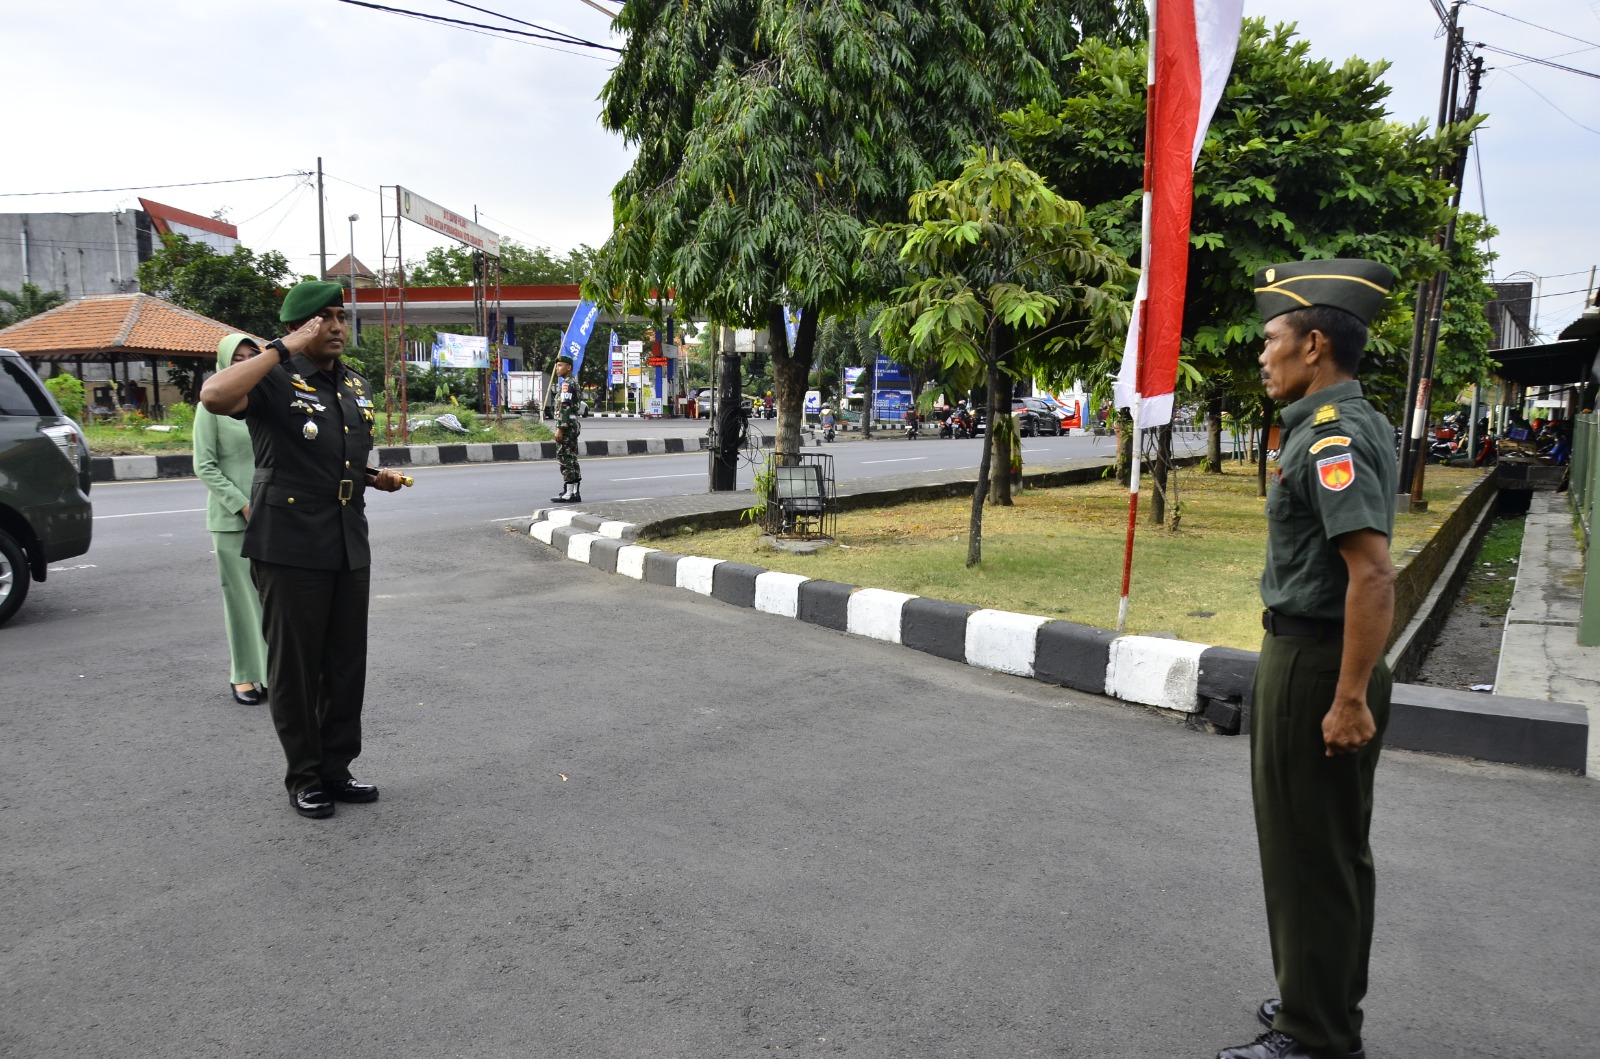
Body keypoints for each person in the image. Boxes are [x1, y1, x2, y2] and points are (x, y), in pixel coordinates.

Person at [1217, 259, 1398, 1059]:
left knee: (1307, 851)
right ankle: (1316, 998)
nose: (1263, 355)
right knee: (1330, 847)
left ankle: (1316, 1035)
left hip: (1319, 663)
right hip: (1321, 656)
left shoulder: (1330, 436)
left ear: (1313, 344)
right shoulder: (1352, 420)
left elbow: (1372, 568)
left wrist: (1349, 694)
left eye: (1272, 340)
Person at [199, 280, 407, 820]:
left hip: (345, 537)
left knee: (344, 664)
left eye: (340, 317)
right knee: (295, 666)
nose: (337, 327)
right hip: (289, 543)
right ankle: (305, 777)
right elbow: (215, 397)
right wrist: (280, 348)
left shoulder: (349, 383)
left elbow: (328, 457)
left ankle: (337, 769)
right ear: (300, 326)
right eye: (324, 319)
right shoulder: (272, 376)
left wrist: (369, 477)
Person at [194, 334, 271, 705]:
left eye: (250, 357)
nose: (243, 363)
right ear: (224, 363)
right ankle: (243, 675)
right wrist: (242, 505)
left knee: (274, 599)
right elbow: (204, 465)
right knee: (242, 599)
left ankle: (273, 672)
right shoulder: (210, 405)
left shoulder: (266, 400)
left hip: (274, 515)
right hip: (233, 520)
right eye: (236, 358)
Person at [549, 354, 582, 503]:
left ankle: (568, 493)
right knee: (572, 457)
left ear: (568, 367)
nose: (557, 368)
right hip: (573, 424)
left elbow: (565, 406)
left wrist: (560, 428)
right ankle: (574, 491)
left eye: (560, 365)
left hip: (567, 425)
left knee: (565, 457)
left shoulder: (567, 384)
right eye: (557, 365)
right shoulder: (573, 382)